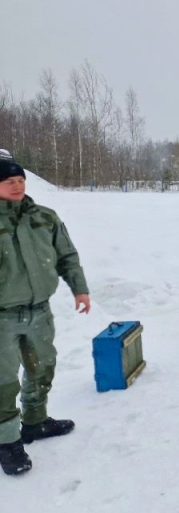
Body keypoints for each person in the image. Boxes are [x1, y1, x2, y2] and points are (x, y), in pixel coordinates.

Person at [0, 152, 91, 476]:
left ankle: (35, 421)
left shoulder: (44, 217)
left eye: (20, 180)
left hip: (39, 311)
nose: (17, 186)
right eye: (8, 181)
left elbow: (67, 256)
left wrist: (79, 288)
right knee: (3, 382)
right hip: (2, 317)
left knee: (42, 367)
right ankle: (7, 442)